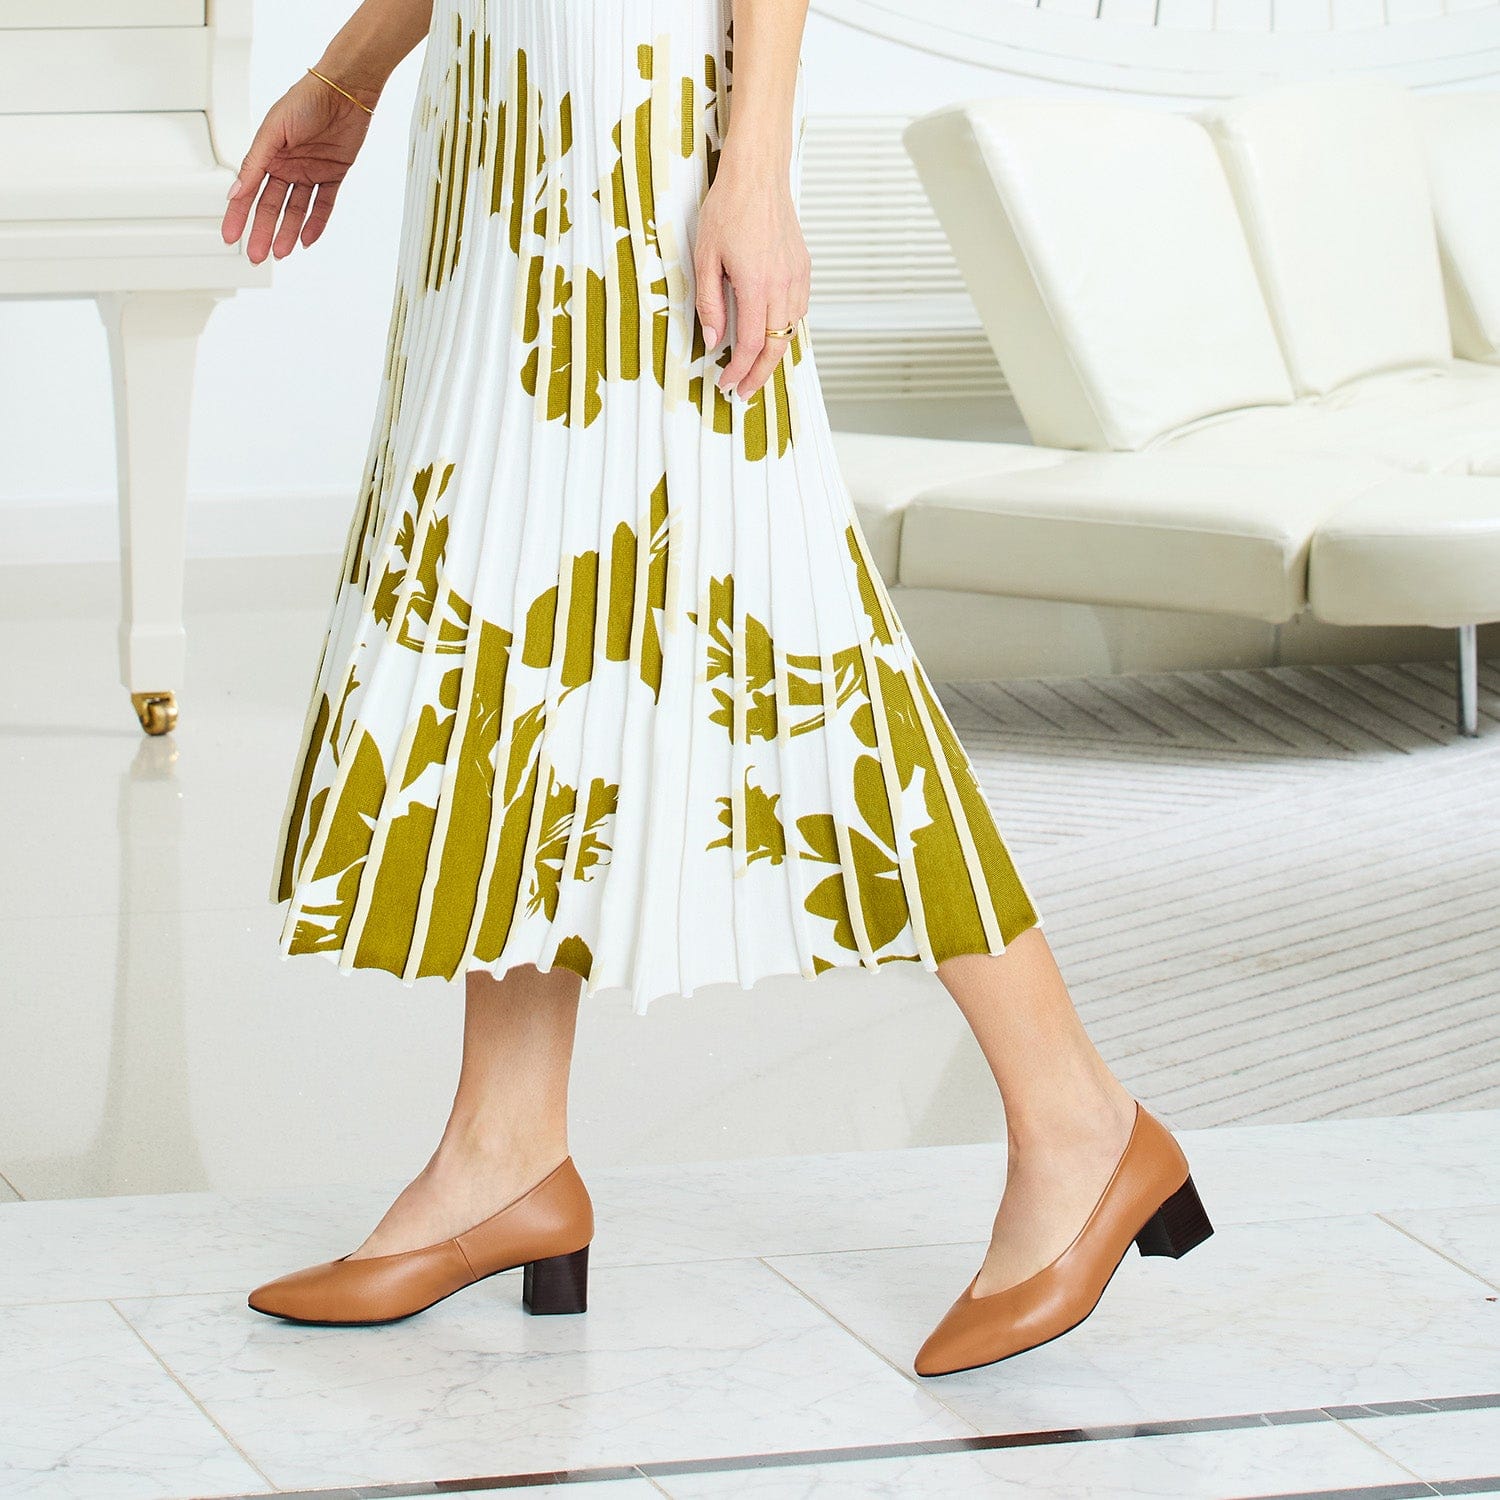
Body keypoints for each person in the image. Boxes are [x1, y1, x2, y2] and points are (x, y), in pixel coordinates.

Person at [223, 0, 1213, 1376]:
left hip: (641, 133)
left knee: (788, 638)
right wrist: (352, 73)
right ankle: (503, 1148)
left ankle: (1079, 1119)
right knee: (512, 625)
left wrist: (753, 168)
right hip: (501, 125)